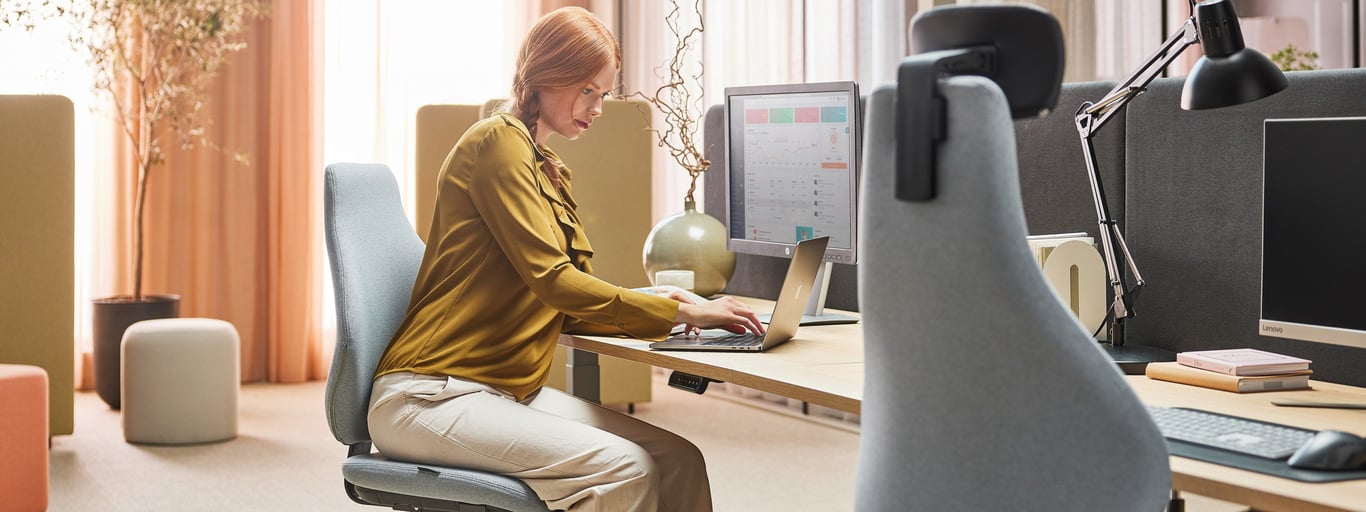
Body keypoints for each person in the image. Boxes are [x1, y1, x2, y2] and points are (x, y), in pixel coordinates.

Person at [366, 7, 763, 512]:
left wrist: (655, 301)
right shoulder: (496, 142)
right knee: (623, 470)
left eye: (603, 94)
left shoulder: (546, 167)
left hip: (499, 391)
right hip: (430, 397)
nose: (597, 108)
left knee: (678, 458)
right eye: (586, 90)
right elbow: (555, 281)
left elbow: (560, 302)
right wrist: (684, 312)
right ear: (545, 76)